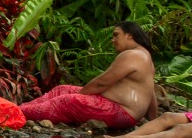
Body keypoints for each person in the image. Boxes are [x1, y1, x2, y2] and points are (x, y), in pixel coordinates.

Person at [21, 21, 158, 129]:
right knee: (62, 89)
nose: (113, 40)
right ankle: (21, 108)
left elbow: (102, 83)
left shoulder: (133, 55)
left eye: (116, 35)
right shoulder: (146, 57)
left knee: (67, 101)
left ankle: (16, 112)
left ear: (129, 35)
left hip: (122, 112)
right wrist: (154, 122)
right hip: (122, 111)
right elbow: (151, 93)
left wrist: (80, 95)